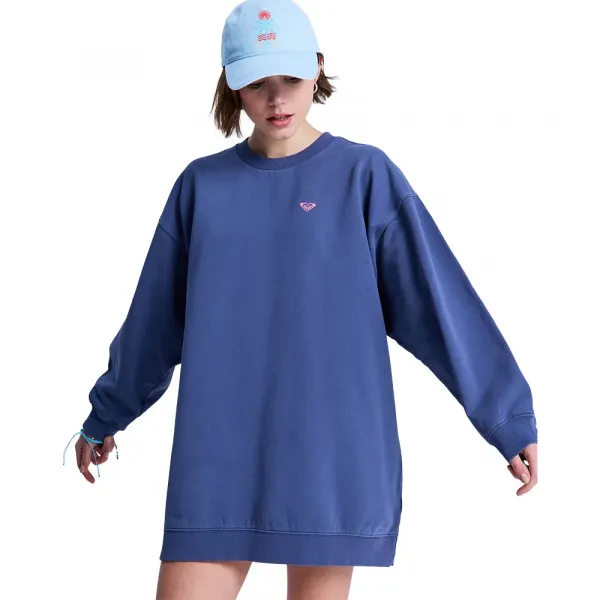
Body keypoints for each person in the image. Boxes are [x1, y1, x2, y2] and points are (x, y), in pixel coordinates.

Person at [62, 0, 539, 598]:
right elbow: (153, 324)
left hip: (330, 453)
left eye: (289, 78)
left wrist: (507, 418)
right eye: (256, 83)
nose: (276, 98)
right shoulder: (200, 187)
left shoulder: (364, 176)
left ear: (316, 67)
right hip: (218, 455)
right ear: (232, 86)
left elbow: (441, 305)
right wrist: (106, 415)